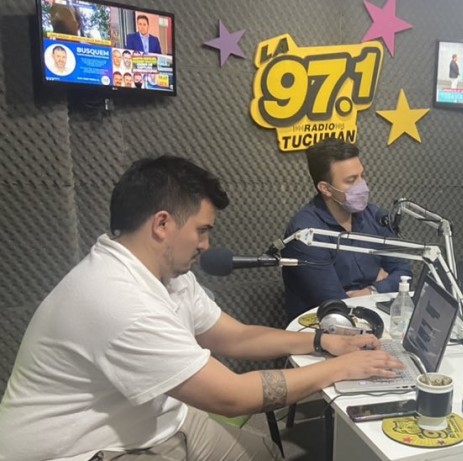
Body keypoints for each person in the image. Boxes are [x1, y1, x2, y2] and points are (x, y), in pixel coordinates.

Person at [0, 156, 403, 461]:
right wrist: (341, 369)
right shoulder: (119, 301)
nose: (206, 244)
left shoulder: (168, 274)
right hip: (88, 451)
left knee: (269, 454)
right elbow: (232, 397)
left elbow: (235, 336)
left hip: (159, 422)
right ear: (162, 224)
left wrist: (321, 341)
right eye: (202, 230)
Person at [281, 138, 412, 320]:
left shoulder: (374, 216)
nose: (362, 185)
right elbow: (337, 303)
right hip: (323, 326)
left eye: (361, 176)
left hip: (376, 316)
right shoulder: (306, 234)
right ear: (326, 189)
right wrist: (382, 279)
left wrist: (372, 290)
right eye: (351, 180)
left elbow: (404, 274)